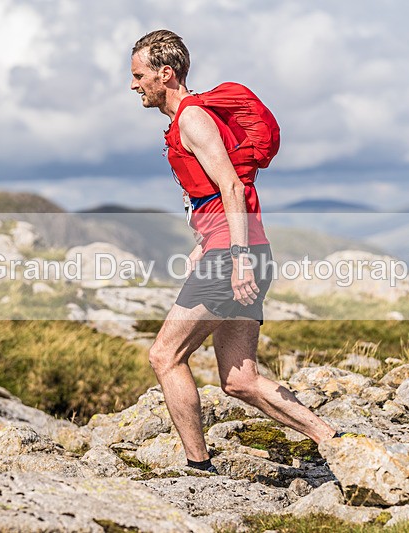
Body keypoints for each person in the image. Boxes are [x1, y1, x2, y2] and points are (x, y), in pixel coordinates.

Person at [130, 29, 340, 474]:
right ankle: (331, 438)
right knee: (240, 380)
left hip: (235, 256)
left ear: (165, 74)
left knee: (165, 356)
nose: (134, 85)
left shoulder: (192, 118)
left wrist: (236, 256)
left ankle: (198, 467)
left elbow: (230, 185)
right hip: (239, 250)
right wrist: (206, 242)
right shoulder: (185, 120)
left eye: (139, 75)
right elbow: (213, 194)